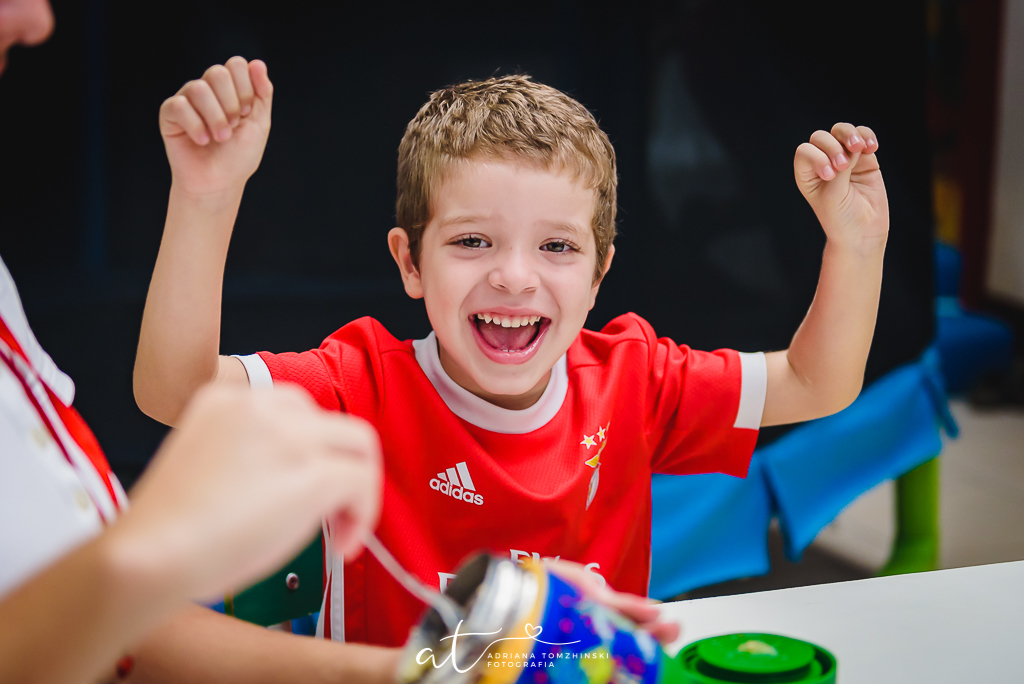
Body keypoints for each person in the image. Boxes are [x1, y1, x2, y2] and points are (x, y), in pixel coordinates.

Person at [134, 56, 888, 646]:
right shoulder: (360, 385)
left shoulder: (637, 378)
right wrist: (205, 196)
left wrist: (857, 248)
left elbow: (815, 382)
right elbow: (174, 394)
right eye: (472, 241)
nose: (515, 276)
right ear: (409, 263)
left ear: (598, 276)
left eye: (557, 247)